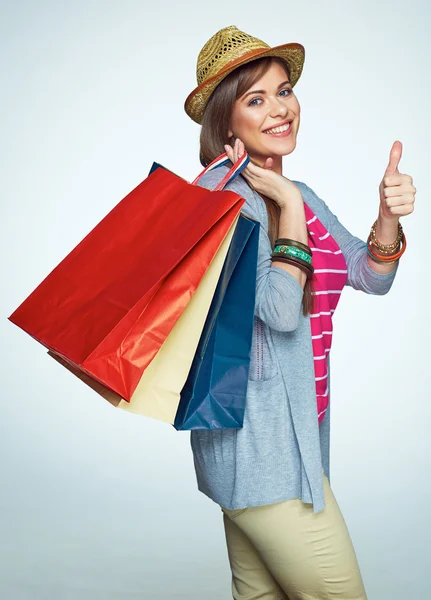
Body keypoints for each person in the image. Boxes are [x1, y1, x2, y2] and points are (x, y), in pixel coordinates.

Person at [183, 25, 414, 600]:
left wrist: (386, 215)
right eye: (255, 99)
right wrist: (283, 205)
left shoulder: (299, 193)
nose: (279, 109)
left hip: (286, 442)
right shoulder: (225, 200)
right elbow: (280, 312)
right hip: (260, 451)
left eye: (283, 90)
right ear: (225, 120)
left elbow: (369, 274)